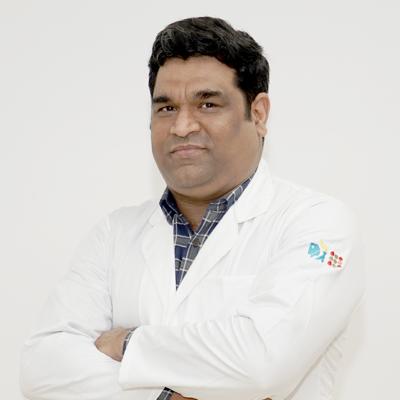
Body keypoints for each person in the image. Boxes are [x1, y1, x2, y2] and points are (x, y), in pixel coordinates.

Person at [20, 16, 364, 400]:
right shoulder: (115, 234)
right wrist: (165, 396)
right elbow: (42, 367)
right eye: (166, 108)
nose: (182, 126)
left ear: (259, 113)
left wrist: (127, 343)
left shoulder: (317, 223)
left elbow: (263, 361)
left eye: (207, 104)